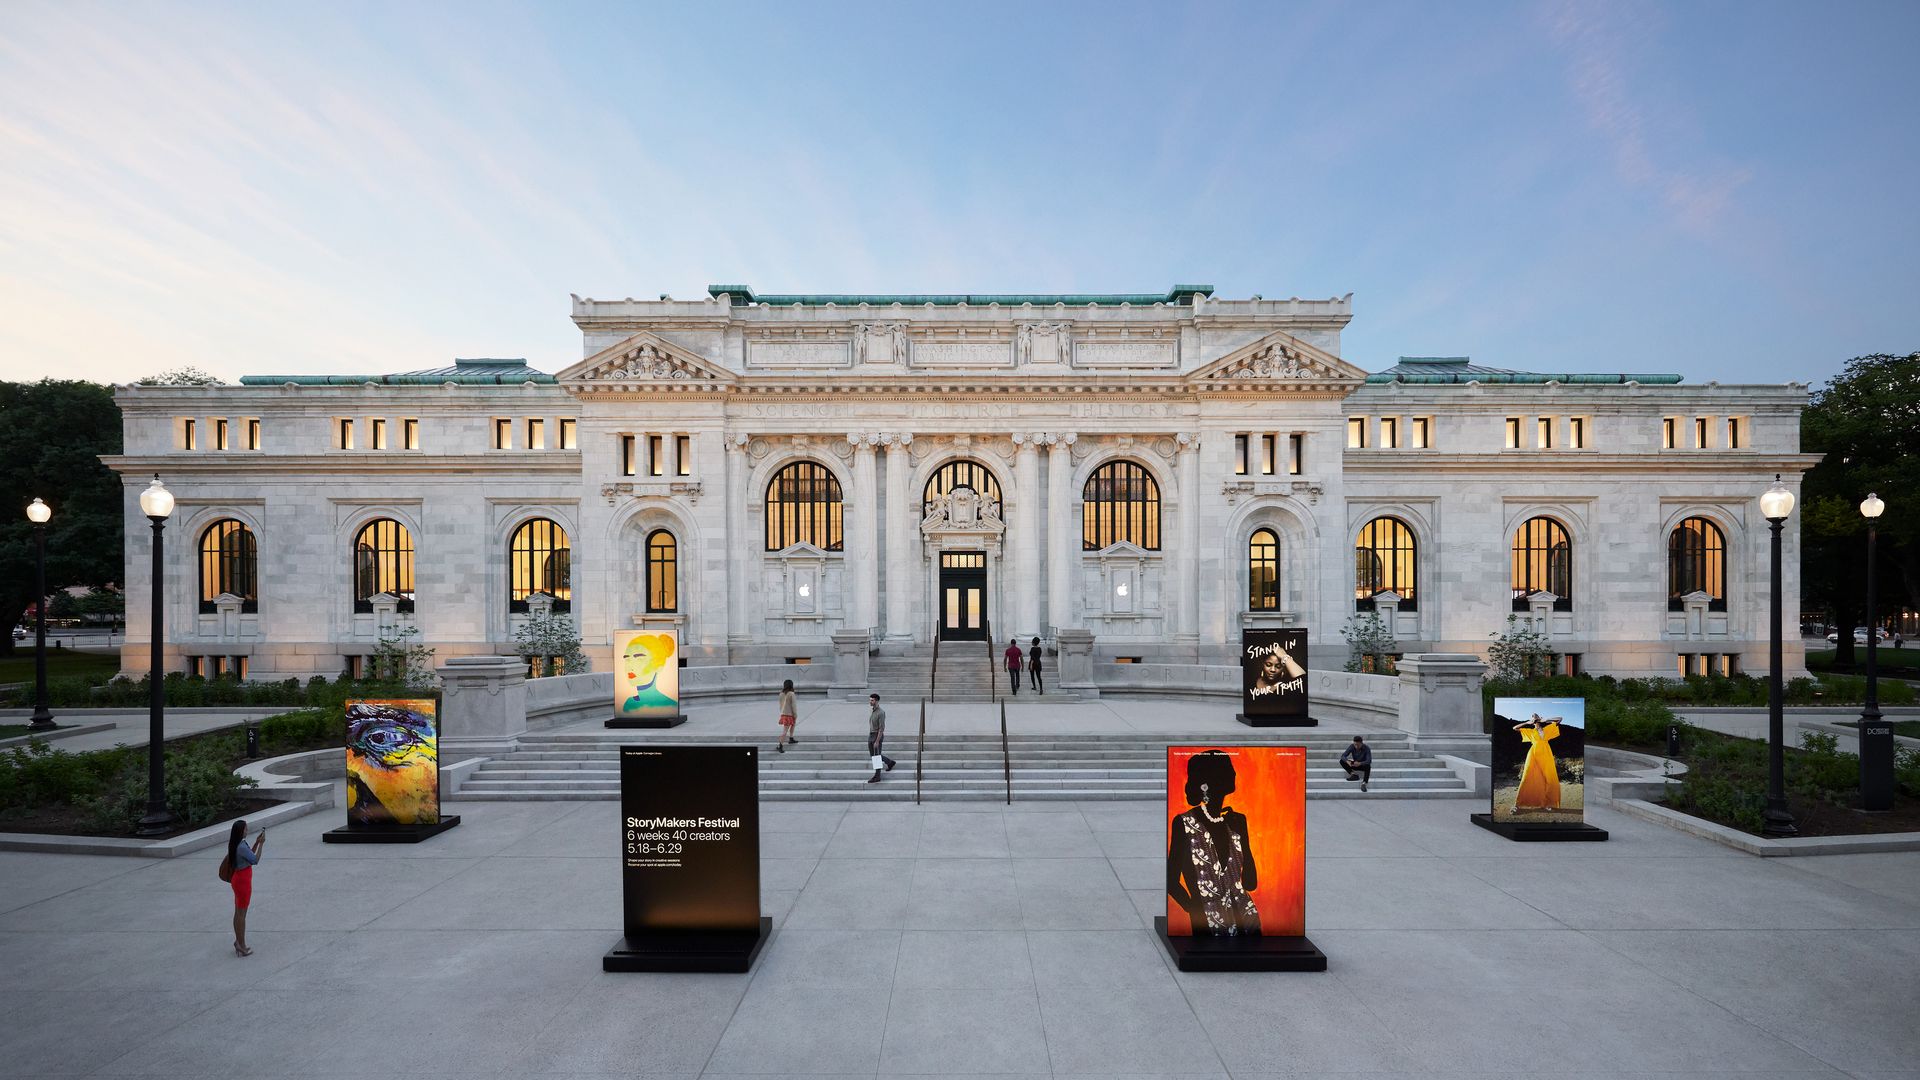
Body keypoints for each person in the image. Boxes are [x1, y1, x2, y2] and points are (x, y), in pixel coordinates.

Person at [1165, 750, 1260, 936]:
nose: (1233, 773)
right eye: (1226, 769)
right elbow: (1171, 881)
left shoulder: (1237, 821)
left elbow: (1250, 884)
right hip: (1207, 925)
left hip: (1248, 923)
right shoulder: (1184, 823)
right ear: (1206, 783)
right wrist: (1193, 909)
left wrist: (1243, 836)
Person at [225, 820, 265, 956]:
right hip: (243, 882)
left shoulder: (237, 843)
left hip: (239, 879)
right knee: (242, 914)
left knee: (238, 912)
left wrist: (257, 842)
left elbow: (248, 856)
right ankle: (242, 945)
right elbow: (255, 860)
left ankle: (238, 942)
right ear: (241, 831)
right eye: (246, 829)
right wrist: (262, 844)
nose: (247, 831)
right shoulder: (241, 846)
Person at [1513, 714, 1563, 811]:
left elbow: (1560, 719)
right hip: (1533, 755)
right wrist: (1527, 722)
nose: (1534, 718)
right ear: (1532, 721)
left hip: (1546, 754)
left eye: (1536, 717)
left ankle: (1547, 803)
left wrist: (1546, 720)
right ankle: (1518, 803)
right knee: (1527, 776)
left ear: (1539, 719)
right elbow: (1514, 728)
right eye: (1533, 717)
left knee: (1549, 778)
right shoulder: (1530, 731)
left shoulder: (1547, 729)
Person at [866, 693, 897, 783]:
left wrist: (877, 741)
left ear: (876, 701)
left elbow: (881, 728)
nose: (870, 702)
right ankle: (890, 762)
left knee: (876, 757)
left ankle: (877, 776)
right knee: (874, 756)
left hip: (877, 736)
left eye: (872, 700)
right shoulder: (872, 710)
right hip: (871, 735)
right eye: (870, 700)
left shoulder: (881, 713)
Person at [775, 678, 799, 753]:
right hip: (790, 714)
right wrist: (795, 714)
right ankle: (780, 745)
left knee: (793, 724)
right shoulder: (791, 694)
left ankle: (791, 738)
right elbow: (793, 706)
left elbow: (780, 705)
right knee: (785, 731)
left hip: (784, 714)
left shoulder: (781, 694)